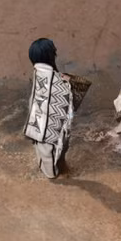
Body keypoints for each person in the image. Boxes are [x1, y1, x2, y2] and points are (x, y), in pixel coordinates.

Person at [25, 38, 75, 179]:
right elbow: (70, 105)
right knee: (58, 159)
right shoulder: (60, 81)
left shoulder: (37, 74)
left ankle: (53, 177)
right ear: (51, 55)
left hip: (39, 129)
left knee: (47, 161)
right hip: (56, 132)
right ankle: (60, 176)